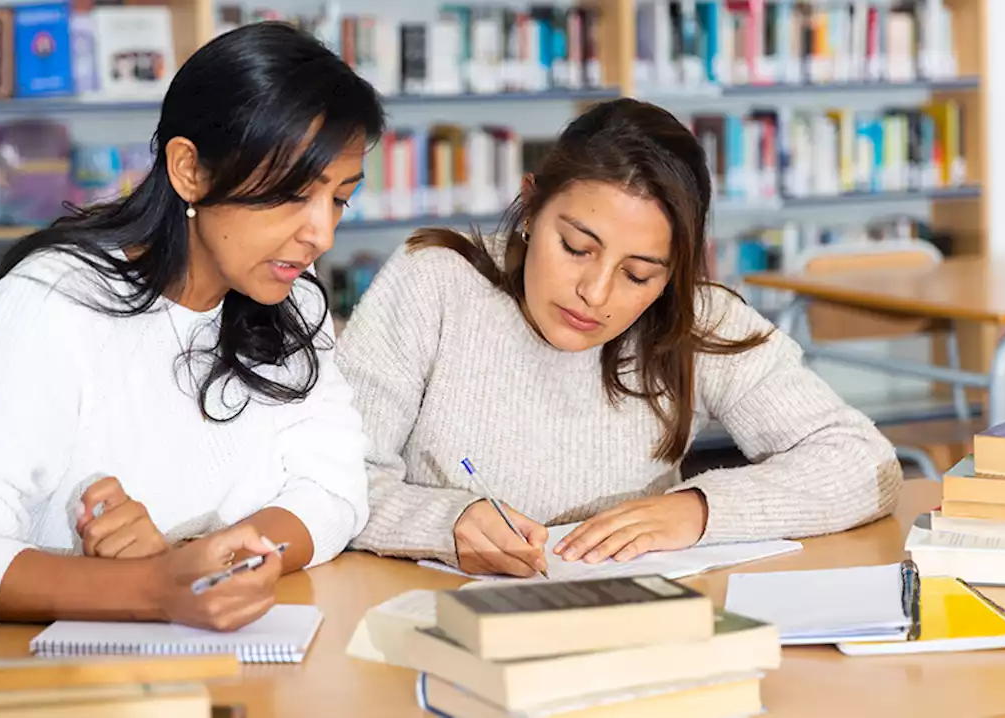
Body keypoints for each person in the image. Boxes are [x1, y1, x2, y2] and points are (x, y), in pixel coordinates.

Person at [0, 22, 385, 628]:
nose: (320, 235)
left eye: (339, 199)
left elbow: (335, 491)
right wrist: (153, 586)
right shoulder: (49, 307)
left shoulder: (293, 305)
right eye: (294, 193)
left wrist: (212, 566)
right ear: (189, 169)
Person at [337, 98, 903, 578]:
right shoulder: (434, 280)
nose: (596, 293)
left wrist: (700, 512)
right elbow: (333, 479)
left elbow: (864, 463)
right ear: (531, 206)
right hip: (425, 614)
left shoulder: (699, 320)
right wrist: (445, 523)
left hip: (631, 626)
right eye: (577, 248)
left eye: (638, 274)